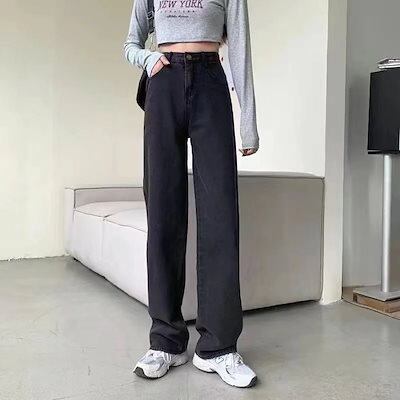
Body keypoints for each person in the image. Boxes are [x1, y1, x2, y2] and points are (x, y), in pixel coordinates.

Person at [123, 0, 259, 388]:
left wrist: (248, 123)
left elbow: (240, 49)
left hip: (210, 81)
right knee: (163, 214)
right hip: (163, 82)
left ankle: (218, 347)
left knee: (220, 215)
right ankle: (166, 341)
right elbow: (130, 42)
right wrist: (148, 59)